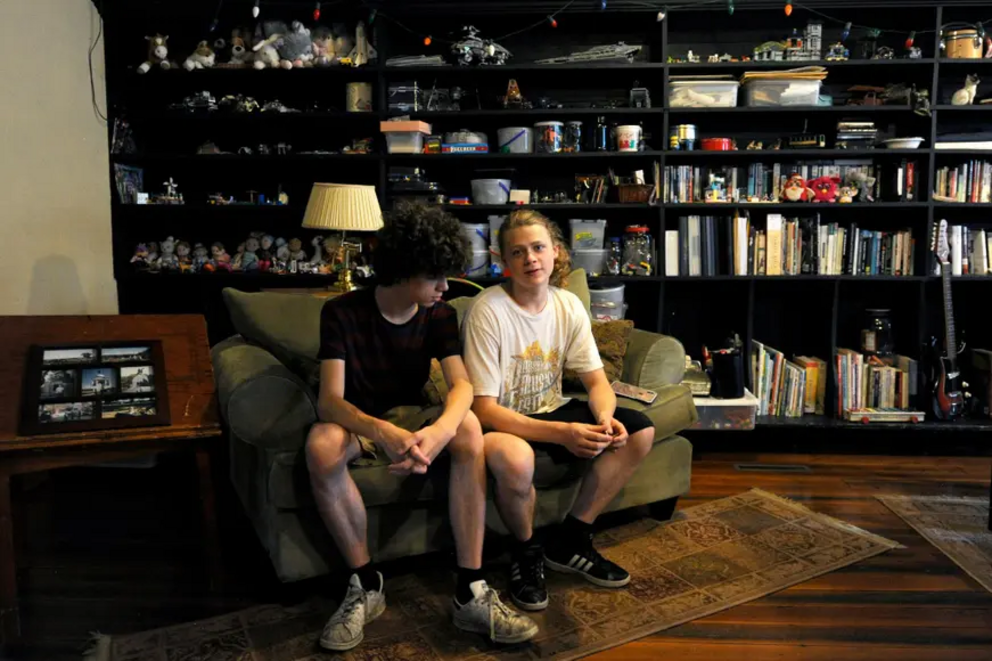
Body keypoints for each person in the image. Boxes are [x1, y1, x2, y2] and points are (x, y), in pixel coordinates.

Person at [306, 200, 538, 651]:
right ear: (404, 268)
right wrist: (383, 433)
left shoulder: (440, 314)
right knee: (320, 446)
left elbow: (462, 387)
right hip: (363, 421)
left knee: (468, 427)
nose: (445, 287)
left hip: (415, 415)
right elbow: (329, 401)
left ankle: (470, 588)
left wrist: (438, 433)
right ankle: (366, 583)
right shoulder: (341, 312)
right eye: (435, 277)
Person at [461, 209, 656, 612]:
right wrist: (564, 434)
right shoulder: (488, 309)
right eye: (518, 252)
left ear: (555, 252)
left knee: (639, 430)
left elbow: (597, 382)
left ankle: (571, 539)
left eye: (538, 248)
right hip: (503, 421)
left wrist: (605, 420)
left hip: (553, 409)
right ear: (503, 260)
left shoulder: (567, 304)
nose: (530, 258)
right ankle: (527, 552)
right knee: (515, 460)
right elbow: (483, 410)